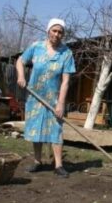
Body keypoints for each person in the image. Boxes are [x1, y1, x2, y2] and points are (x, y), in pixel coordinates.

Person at [16, 18, 76, 178]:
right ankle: (37, 161)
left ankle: (58, 165)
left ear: (63, 34)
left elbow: (65, 81)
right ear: (48, 31)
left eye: (60, 32)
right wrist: (21, 76)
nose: (57, 34)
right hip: (35, 97)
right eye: (54, 30)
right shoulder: (36, 47)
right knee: (36, 128)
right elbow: (20, 61)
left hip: (53, 99)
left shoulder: (67, 54)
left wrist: (61, 104)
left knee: (56, 130)